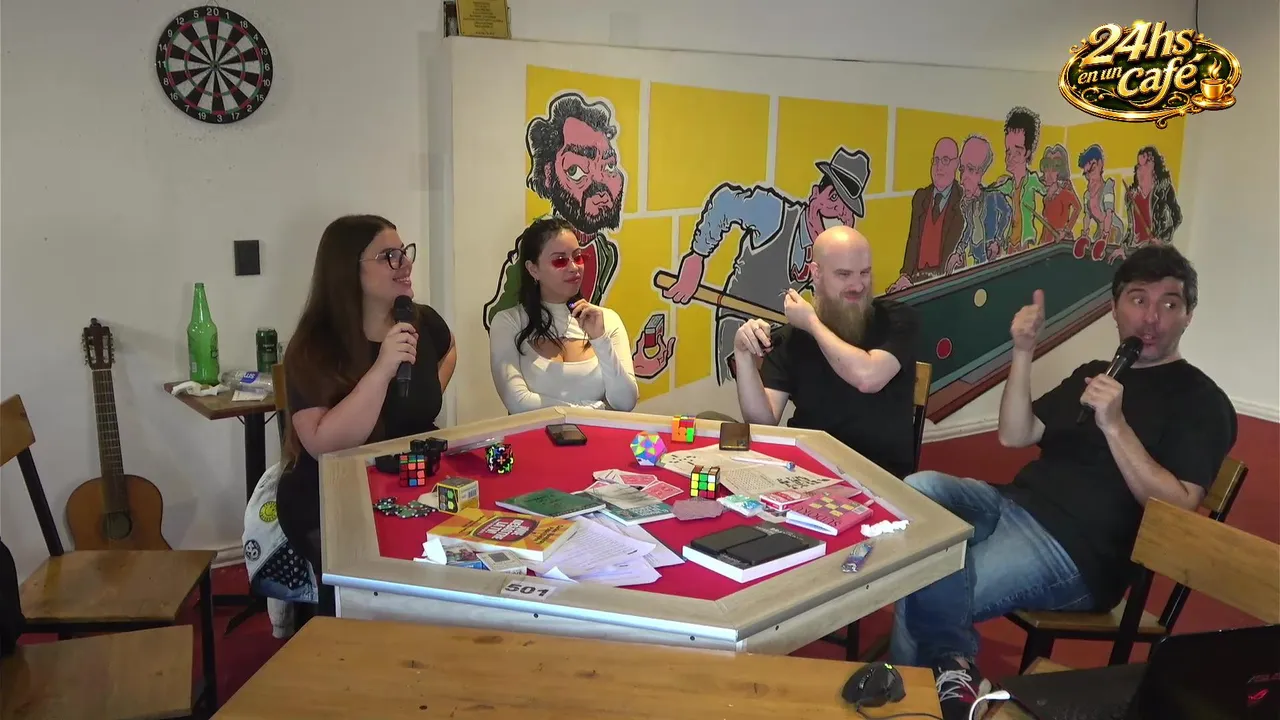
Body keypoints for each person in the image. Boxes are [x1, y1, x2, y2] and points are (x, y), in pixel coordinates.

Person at [889, 245, 1235, 720]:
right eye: (1138, 299)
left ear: (1188, 315)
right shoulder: (1094, 374)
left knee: (923, 574)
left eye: (1169, 303)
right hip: (1012, 503)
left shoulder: (1202, 402)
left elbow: (1178, 507)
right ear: (1114, 308)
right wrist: (1023, 351)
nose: (1152, 317)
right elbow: (1016, 434)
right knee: (919, 489)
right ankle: (950, 668)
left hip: (1078, 551)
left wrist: (1115, 425)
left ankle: (913, 698)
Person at [277, 214, 456, 592]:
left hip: (409, 482)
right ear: (348, 269)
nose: (405, 264)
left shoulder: (421, 321)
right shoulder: (313, 346)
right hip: (333, 495)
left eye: (404, 252)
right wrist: (382, 369)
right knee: (361, 593)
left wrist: (428, 391)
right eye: (389, 256)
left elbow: (450, 348)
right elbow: (322, 443)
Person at [731, 225, 919, 479]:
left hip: (878, 475)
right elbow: (762, 423)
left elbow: (868, 377)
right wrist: (742, 354)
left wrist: (811, 323)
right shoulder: (792, 337)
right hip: (806, 470)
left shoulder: (898, 319)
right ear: (816, 273)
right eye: (844, 274)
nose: (857, 285)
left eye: (864, 273)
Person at [488, 217, 639, 413]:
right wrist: (594, 409)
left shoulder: (606, 320)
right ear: (533, 269)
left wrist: (600, 340)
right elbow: (518, 403)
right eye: (560, 261)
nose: (574, 268)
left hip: (598, 433)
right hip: (537, 434)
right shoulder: (509, 322)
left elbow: (625, 402)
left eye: (578, 257)